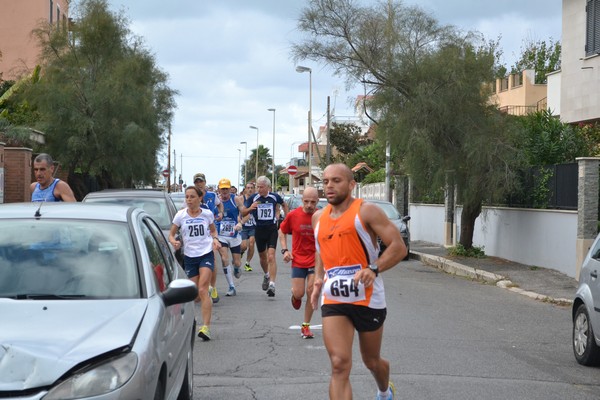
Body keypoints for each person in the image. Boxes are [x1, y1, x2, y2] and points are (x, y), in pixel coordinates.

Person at [310, 163, 407, 400]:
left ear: (352, 185)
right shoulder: (318, 218)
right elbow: (322, 250)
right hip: (334, 296)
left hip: (368, 297)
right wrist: (318, 280)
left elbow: (398, 247)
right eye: (325, 182)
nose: (329, 186)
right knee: (339, 363)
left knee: (371, 361)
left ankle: (384, 390)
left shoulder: (366, 211)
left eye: (336, 180)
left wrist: (374, 268)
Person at [169, 186, 221, 341]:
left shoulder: (207, 214)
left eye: (192, 197)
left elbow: (213, 231)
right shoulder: (180, 215)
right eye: (187, 197)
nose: (189, 200)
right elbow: (171, 234)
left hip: (205, 253)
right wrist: (174, 242)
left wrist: (215, 240)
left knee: (203, 289)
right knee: (195, 295)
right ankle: (196, 320)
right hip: (190, 256)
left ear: (200, 198)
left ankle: (206, 327)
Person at [278, 186, 319, 339]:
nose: (309, 205)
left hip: (316, 261)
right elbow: (281, 231)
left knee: (312, 292)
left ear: (317, 202)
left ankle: (306, 326)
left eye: (313, 202)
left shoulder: (321, 216)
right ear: (302, 200)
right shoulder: (294, 215)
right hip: (298, 260)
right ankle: (295, 295)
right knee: (299, 293)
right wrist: (285, 250)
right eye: (307, 201)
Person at [242, 176, 288, 297]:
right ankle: (267, 275)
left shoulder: (274, 197)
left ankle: (272, 284)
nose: (259, 189)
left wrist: (286, 219)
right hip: (259, 230)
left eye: (261, 187)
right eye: (258, 186)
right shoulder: (254, 198)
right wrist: (250, 208)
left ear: (268, 187)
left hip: (271, 229)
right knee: (263, 257)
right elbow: (243, 212)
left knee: (271, 256)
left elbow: (284, 205)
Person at [194, 173, 224, 303]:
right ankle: (201, 287)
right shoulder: (192, 196)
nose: (199, 184)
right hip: (196, 234)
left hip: (210, 232)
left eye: (200, 182)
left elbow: (220, 204)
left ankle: (213, 287)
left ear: (205, 182)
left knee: (212, 259)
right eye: (196, 182)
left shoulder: (212, 195)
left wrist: (221, 213)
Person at [215, 178, 247, 296]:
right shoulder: (216, 200)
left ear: (230, 189)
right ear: (219, 189)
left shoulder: (236, 199)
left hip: (234, 235)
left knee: (237, 263)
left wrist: (240, 223)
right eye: (222, 188)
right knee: (224, 258)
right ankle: (231, 286)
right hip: (221, 235)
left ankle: (237, 268)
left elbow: (247, 214)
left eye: (226, 189)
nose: (224, 191)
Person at [240, 182, 257, 272]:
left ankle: (247, 262)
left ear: (254, 189)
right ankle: (241, 252)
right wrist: (239, 220)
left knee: (251, 243)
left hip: (253, 226)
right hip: (243, 226)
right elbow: (238, 212)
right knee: (243, 246)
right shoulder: (241, 199)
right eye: (248, 188)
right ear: (245, 189)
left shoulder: (257, 199)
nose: (250, 189)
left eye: (251, 188)